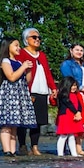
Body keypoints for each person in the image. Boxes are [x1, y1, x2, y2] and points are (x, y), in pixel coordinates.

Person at [0, 38, 37, 156]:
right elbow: (11, 77)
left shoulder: (19, 62)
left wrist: (28, 69)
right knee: (6, 124)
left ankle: (12, 151)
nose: (19, 48)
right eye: (16, 45)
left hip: (18, 95)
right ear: (8, 47)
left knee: (14, 126)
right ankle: (7, 150)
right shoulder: (5, 61)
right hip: (8, 95)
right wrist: (23, 67)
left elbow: (27, 80)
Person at [16, 27, 57, 155]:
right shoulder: (22, 53)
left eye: (39, 37)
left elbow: (47, 73)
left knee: (38, 122)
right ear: (26, 39)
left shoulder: (42, 55)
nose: (37, 39)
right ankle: (22, 145)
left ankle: (35, 146)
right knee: (24, 120)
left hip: (42, 91)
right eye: (34, 37)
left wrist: (53, 88)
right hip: (28, 91)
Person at [60, 43, 84, 155]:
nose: (79, 52)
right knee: (75, 120)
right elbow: (69, 79)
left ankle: (79, 148)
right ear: (71, 51)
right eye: (77, 50)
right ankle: (72, 149)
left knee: (83, 122)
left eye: (81, 50)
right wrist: (81, 88)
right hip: (75, 94)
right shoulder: (67, 64)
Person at [55, 76, 84, 157]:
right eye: (72, 85)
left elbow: (79, 105)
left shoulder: (75, 95)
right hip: (65, 116)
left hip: (72, 116)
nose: (74, 87)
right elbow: (69, 104)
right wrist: (76, 112)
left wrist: (79, 112)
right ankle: (60, 154)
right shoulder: (63, 95)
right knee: (63, 135)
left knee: (71, 135)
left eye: (75, 85)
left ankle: (74, 153)